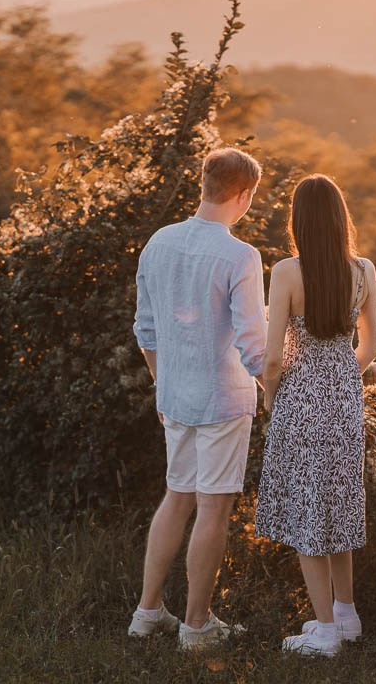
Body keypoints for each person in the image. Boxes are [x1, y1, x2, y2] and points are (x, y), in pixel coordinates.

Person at [128, 147, 267, 650]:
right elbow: (254, 347)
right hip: (224, 401)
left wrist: (162, 384)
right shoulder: (240, 255)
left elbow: (146, 330)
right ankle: (197, 625)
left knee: (177, 495)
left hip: (175, 396)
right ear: (244, 195)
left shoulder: (159, 242)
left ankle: (147, 613)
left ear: (204, 183)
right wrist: (276, 388)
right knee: (212, 508)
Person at [254, 173, 376, 657]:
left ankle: (324, 632)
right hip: (345, 397)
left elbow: (270, 360)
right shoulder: (364, 271)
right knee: (339, 501)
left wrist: (270, 398)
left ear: (298, 221)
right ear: (340, 218)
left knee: (308, 508)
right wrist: (342, 373)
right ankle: (347, 615)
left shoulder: (287, 271)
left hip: (301, 399)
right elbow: (371, 346)